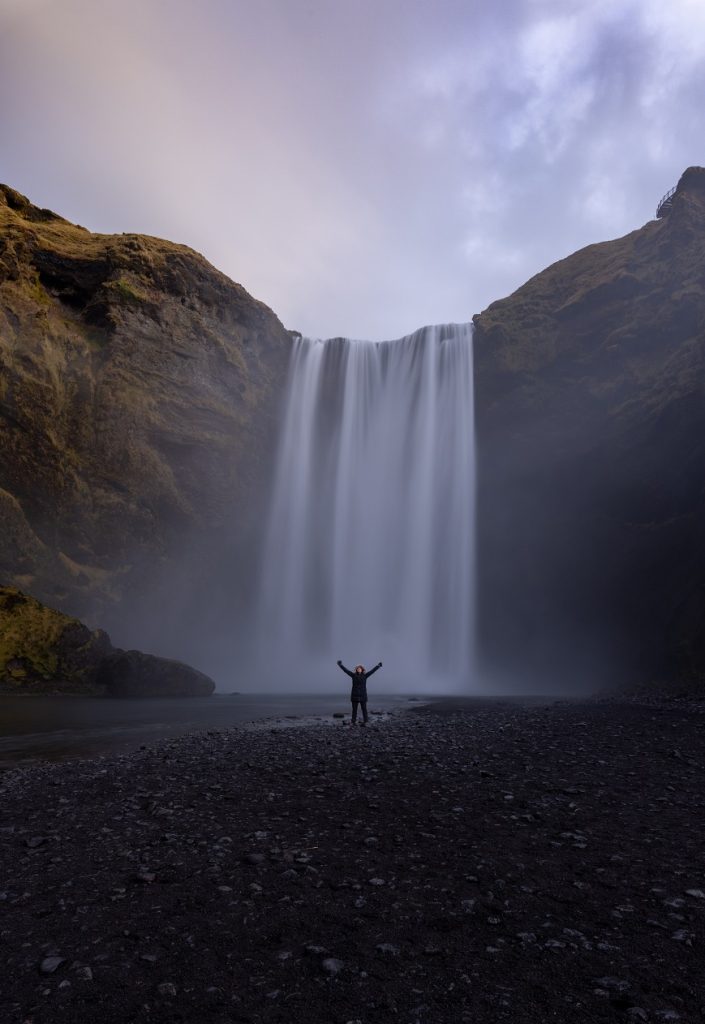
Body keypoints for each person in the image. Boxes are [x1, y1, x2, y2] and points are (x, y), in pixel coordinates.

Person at [337, 659, 382, 725]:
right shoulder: (353, 675)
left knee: (364, 709)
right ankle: (353, 721)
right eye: (357, 668)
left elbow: (372, 671)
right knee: (354, 710)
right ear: (356, 670)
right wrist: (340, 665)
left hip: (363, 695)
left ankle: (366, 721)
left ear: (362, 669)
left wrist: (378, 666)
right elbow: (346, 671)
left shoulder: (365, 676)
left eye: (360, 668)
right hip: (354, 696)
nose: (359, 669)